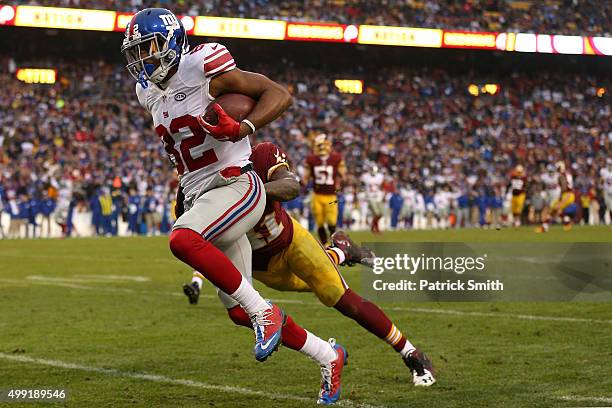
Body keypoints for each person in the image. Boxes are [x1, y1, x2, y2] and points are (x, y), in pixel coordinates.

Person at [184, 142, 435, 389]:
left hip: (291, 242)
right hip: (261, 267)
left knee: (337, 295)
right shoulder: (195, 181)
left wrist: (245, 193)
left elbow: (291, 186)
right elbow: (197, 239)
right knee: (241, 313)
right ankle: (340, 251)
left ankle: (411, 353)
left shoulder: (260, 154)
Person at [122, 7, 291, 366]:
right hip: (198, 191)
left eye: (148, 47)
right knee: (237, 312)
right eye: (135, 51)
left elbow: (277, 94)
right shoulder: (146, 92)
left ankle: (267, 313)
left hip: (234, 182)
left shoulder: (202, 65)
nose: (142, 59)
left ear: (172, 42)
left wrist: (243, 127)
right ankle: (327, 354)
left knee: (182, 239)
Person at [305, 134, 345, 243]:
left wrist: (339, 185)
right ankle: (324, 243)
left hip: (331, 195)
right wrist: (303, 181)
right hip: (317, 195)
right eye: (319, 145)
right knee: (320, 222)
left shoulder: (336, 158)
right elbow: (306, 176)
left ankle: (334, 242)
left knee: (332, 221)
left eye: (323, 144)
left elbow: (343, 176)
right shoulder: (311, 159)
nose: (322, 147)